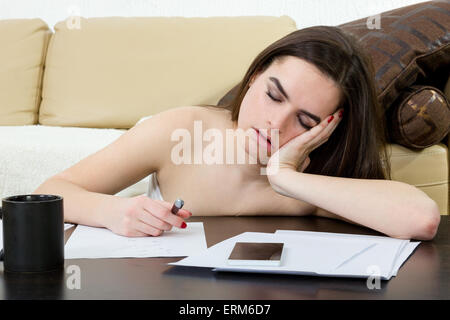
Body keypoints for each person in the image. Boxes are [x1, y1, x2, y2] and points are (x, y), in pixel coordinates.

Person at [33, 26, 440, 240]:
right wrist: (111, 212)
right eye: (273, 95)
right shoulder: (180, 132)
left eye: (305, 121)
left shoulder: (318, 175)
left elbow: (421, 220)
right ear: (253, 78)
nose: (274, 125)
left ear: (328, 130)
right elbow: (50, 192)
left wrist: (286, 178)